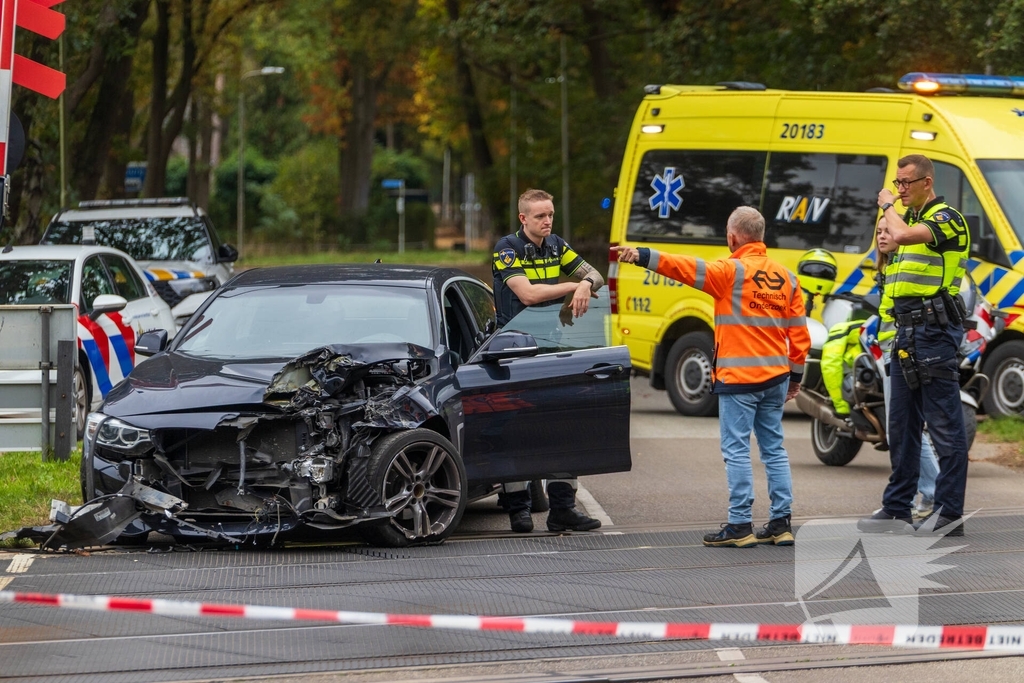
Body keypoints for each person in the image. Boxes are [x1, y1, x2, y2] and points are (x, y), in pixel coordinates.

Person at [614, 206, 810, 548]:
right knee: (774, 449)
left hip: (740, 378)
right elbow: (799, 335)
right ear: (761, 236)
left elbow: (684, 267)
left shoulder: (729, 271)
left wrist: (643, 255)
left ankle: (739, 525)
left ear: (733, 237)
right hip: (776, 377)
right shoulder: (788, 278)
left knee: (736, 450)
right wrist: (795, 377)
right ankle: (781, 523)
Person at [858, 154, 970, 536]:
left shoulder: (946, 219)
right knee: (901, 426)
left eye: (907, 183)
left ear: (926, 182)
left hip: (935, 334)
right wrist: (884, 249)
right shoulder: (910, 223)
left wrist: (888, 204)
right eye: (897, 182)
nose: (901, 189)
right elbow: (890, 271)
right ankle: (896, 509)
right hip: (905, 333)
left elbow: (904, 235)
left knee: (945, 428)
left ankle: (948, 513)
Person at [491, 188, 605, 534]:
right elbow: (527, 293)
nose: (547, 221)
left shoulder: (556, 244)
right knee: (517, 429)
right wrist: (574, 286)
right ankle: (518, 510)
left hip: (551, 346)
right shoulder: (506, 249)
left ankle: (563, 510)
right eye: (540, 216)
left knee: (561, 426)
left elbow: (596, 274)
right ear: (523, 218)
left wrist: (585, 283)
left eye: (550, 214)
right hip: (514, 348)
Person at [874, 216, 939, 518]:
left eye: (888, 231)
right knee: (903, 429)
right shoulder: (887, 269)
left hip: (900, 353)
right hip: (891, 351)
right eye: (878, 232)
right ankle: (925, 494)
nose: (882, 237)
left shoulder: (902, 264)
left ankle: (931, 492)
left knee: (904, 429)